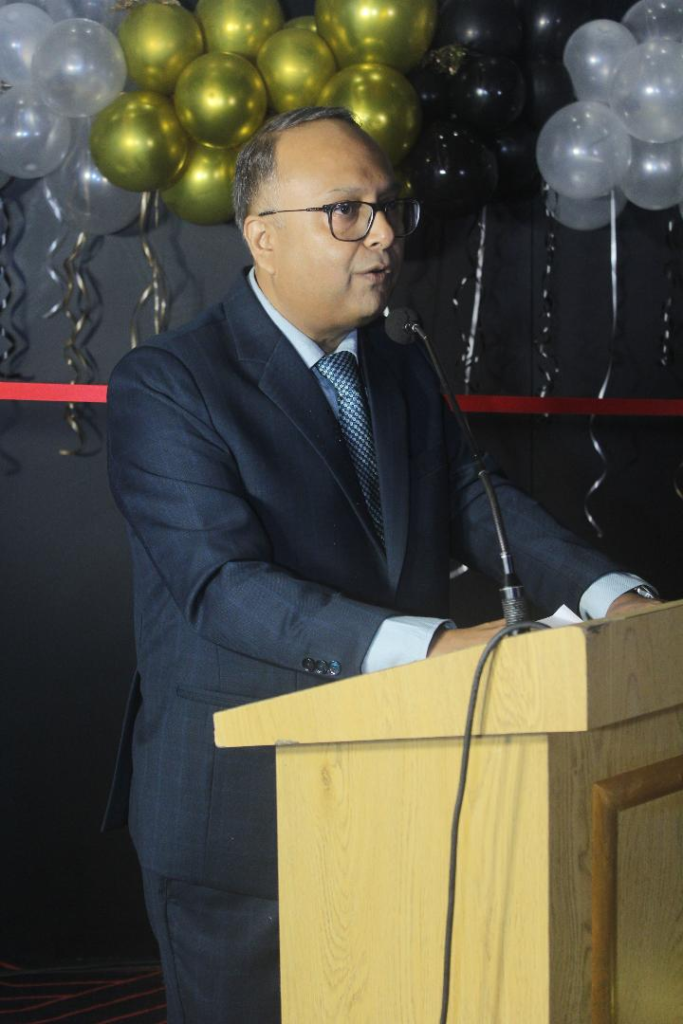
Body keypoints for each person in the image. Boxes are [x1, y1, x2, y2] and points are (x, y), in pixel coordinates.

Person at [103, 106, 658, 1023]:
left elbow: (474, 499)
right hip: (240, 812)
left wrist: (612, 598)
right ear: (262, 236)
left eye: (388, 206)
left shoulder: (400, 363)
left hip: (399, 779)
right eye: (347, 212)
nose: (386, 235)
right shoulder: (167, 383)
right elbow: (222, 588)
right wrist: (437, 649)